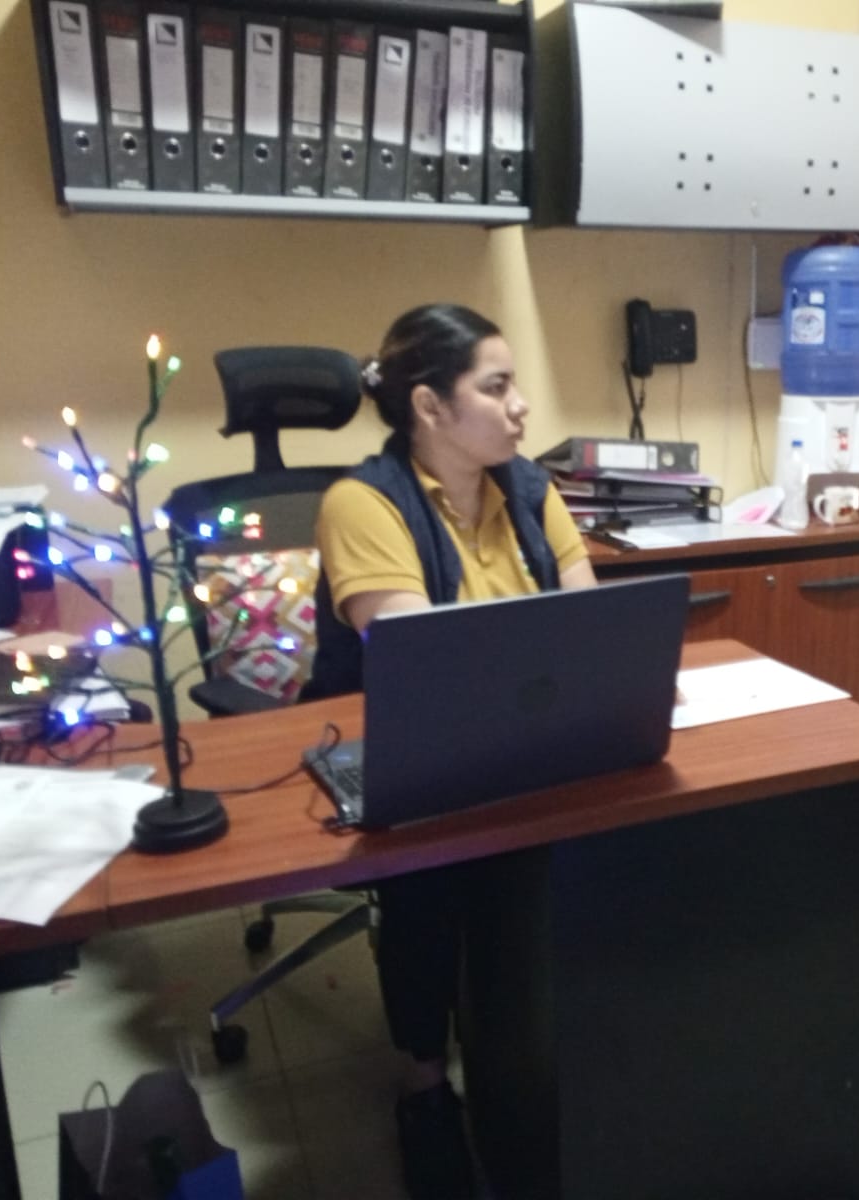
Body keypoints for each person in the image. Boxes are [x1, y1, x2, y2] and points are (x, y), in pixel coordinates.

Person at [302, 303, 595, 1199]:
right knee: (431, 863)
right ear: (429, 407)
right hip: (404, 741)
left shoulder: (531, 490)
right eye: (497, 387)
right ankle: (425, 1083)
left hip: (528, 733)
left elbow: (589, 621)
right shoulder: (362, 502)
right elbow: (424, 665)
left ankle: (548, 1052)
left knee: (602, 840)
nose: (521, 406)